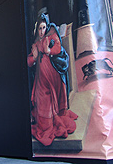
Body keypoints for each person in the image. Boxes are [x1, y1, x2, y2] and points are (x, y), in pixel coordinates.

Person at [27, 14, 77, 146]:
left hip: (52, 75)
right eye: (39, 28)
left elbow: (58, 48)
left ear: (47, 27)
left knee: (47, 99)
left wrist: (48, 50)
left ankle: (48, 123)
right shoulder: (36, 43)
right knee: (42, 99)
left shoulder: (51, 36)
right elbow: (29, 61)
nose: (42, 31)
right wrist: (35, 58)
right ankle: (45, 124)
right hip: (41, 79)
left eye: (43, 28)